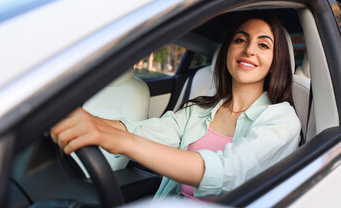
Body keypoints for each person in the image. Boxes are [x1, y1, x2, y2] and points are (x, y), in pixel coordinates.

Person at [51, 13, 301, 201]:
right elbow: (143, 130)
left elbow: (228, 174)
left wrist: (121, 141)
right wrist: (79, 118)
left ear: (276, 61)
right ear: (228, 50)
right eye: (240, 40)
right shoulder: (202, 109)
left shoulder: (282, 120)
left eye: (263, 45)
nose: (248, 50)